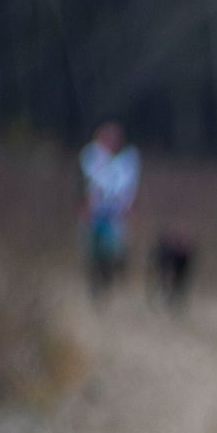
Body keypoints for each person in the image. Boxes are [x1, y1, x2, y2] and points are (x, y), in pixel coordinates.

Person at [78, 121, 140, 299]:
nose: (114, 141)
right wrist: (82, 207)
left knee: (114, 253)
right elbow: (80, 185)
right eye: (110, 137)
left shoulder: (126, 162)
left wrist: (132, 209)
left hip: (116, 218)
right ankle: (96, 288)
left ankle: (107, 284)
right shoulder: (89, 158)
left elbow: (132, 189)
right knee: (92, 253)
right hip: (93, 216)